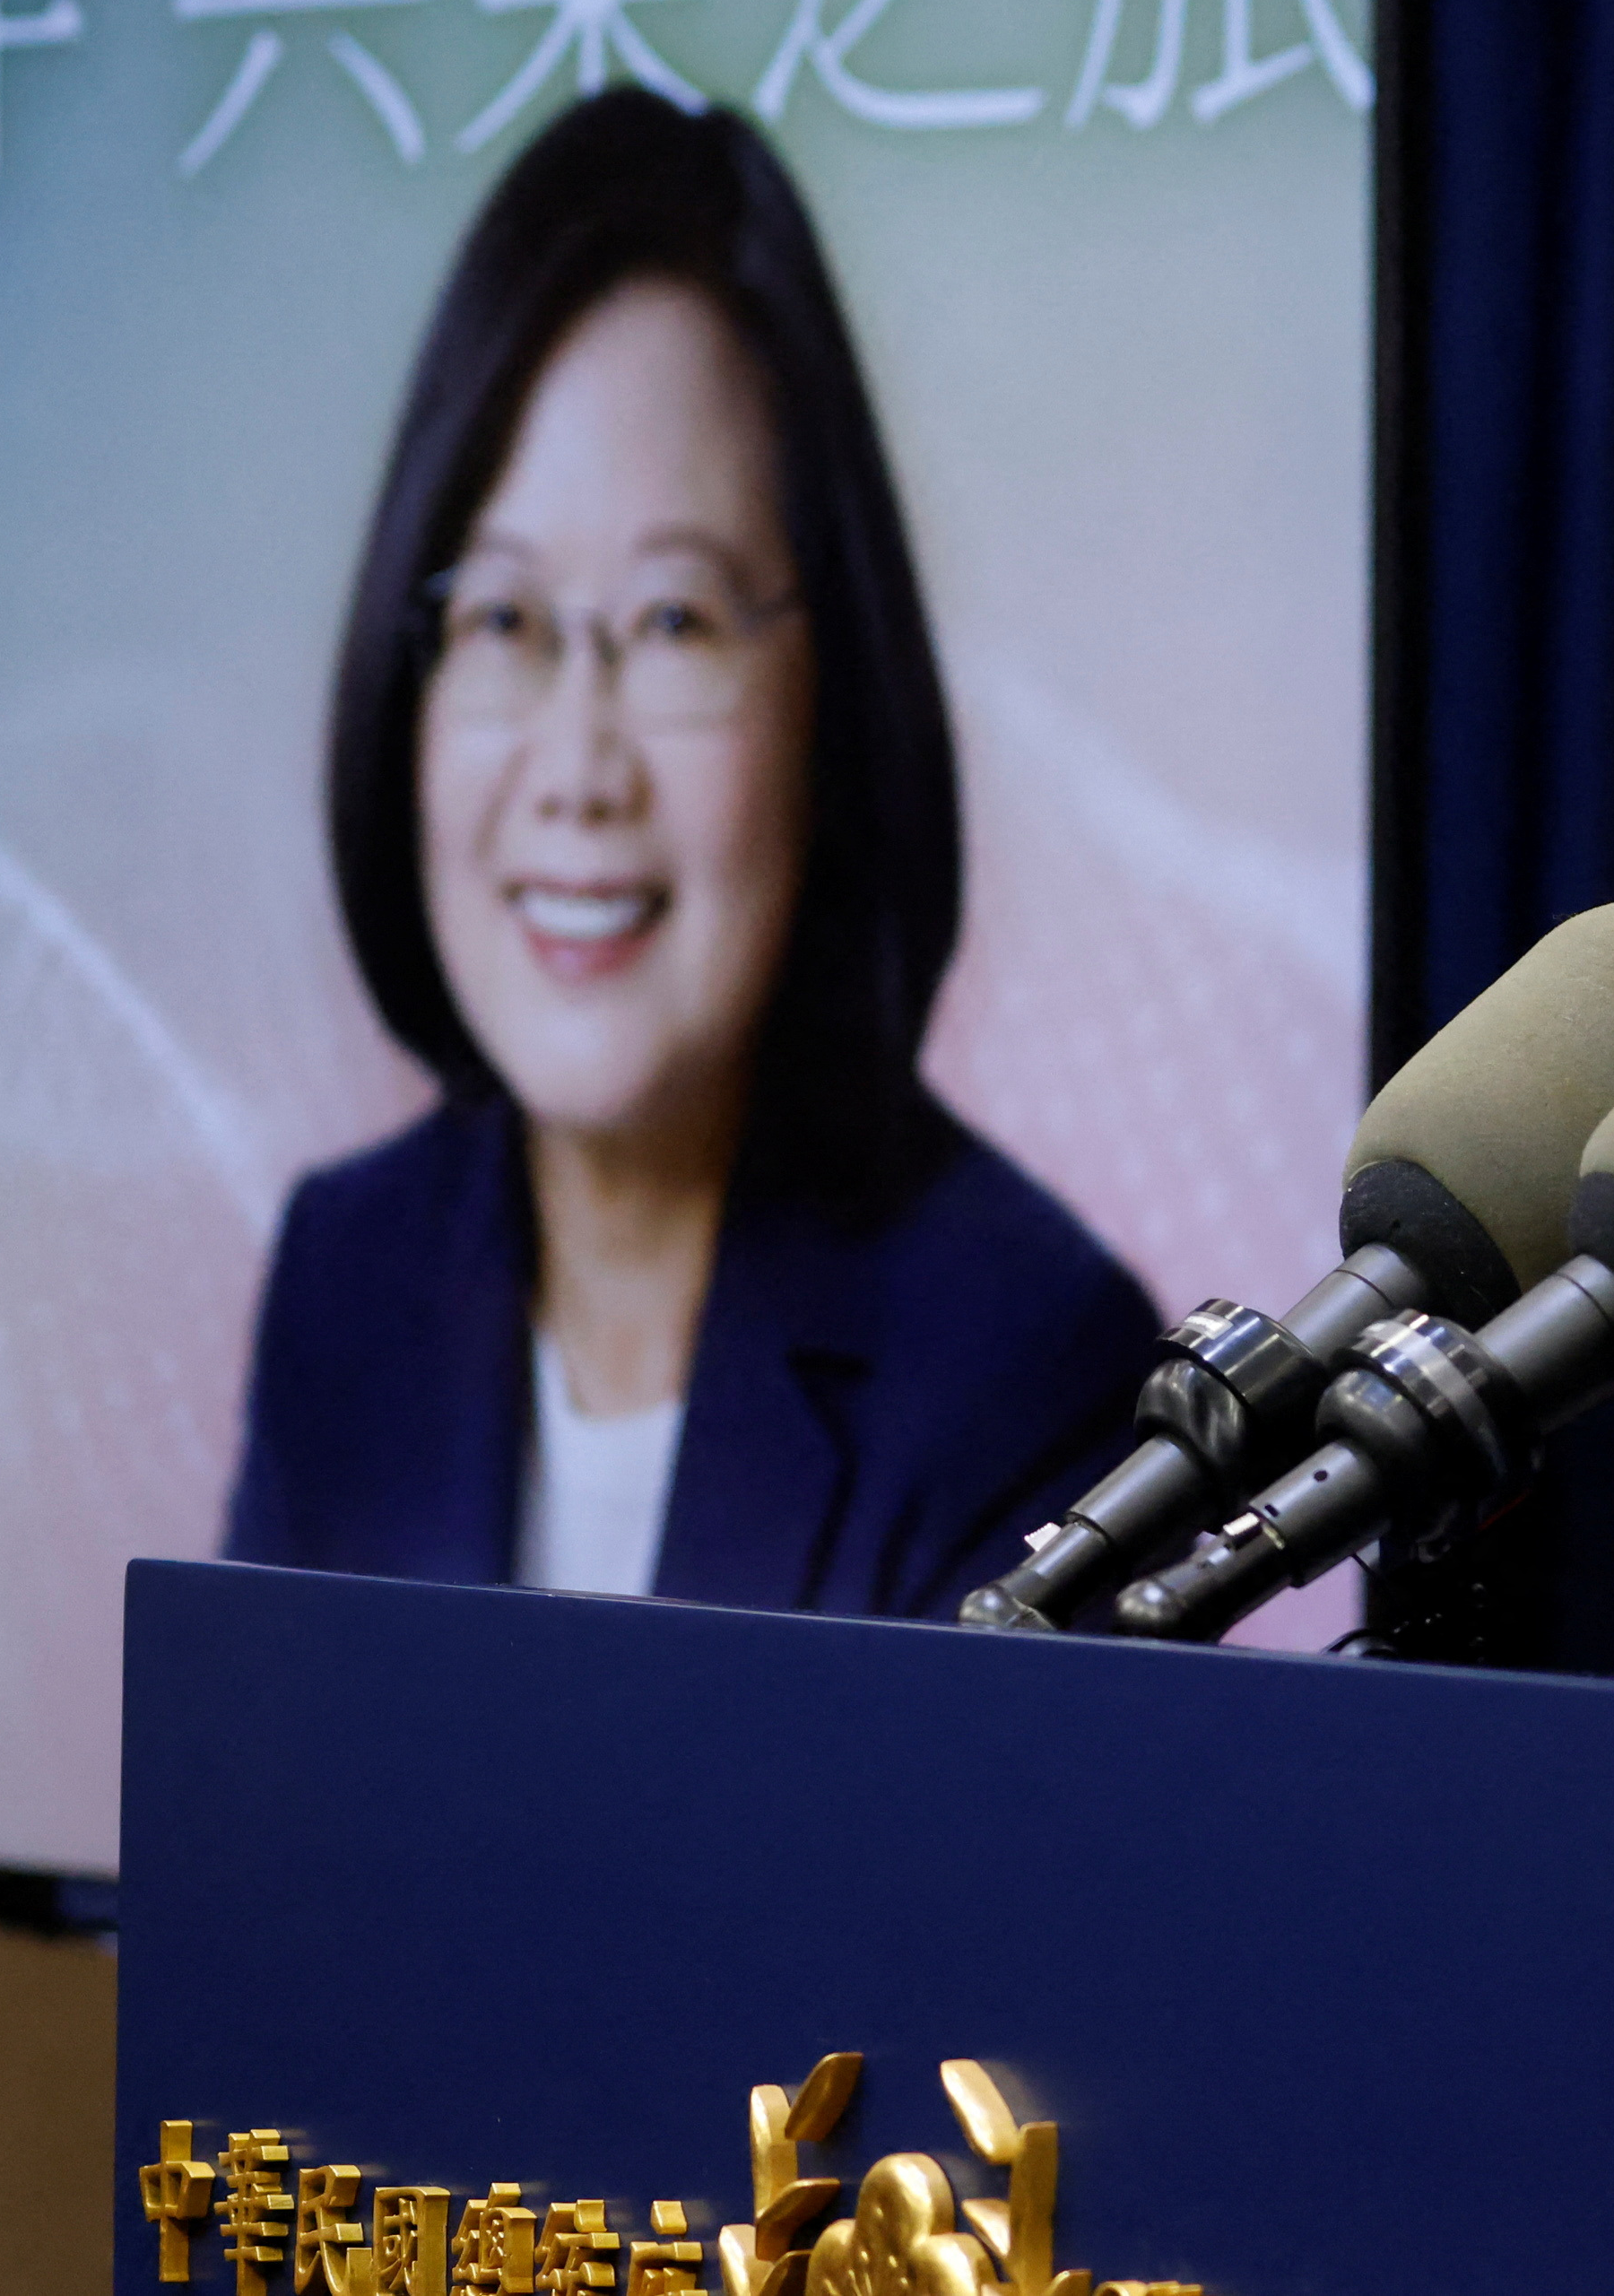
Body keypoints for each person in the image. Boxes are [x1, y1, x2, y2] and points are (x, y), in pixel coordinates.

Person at [223, 87, 1158, 1618]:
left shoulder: (1029, 1366)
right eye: (506, 622)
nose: (581, 770)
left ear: (831, 695)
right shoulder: (349, 1278)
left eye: (674, 622)